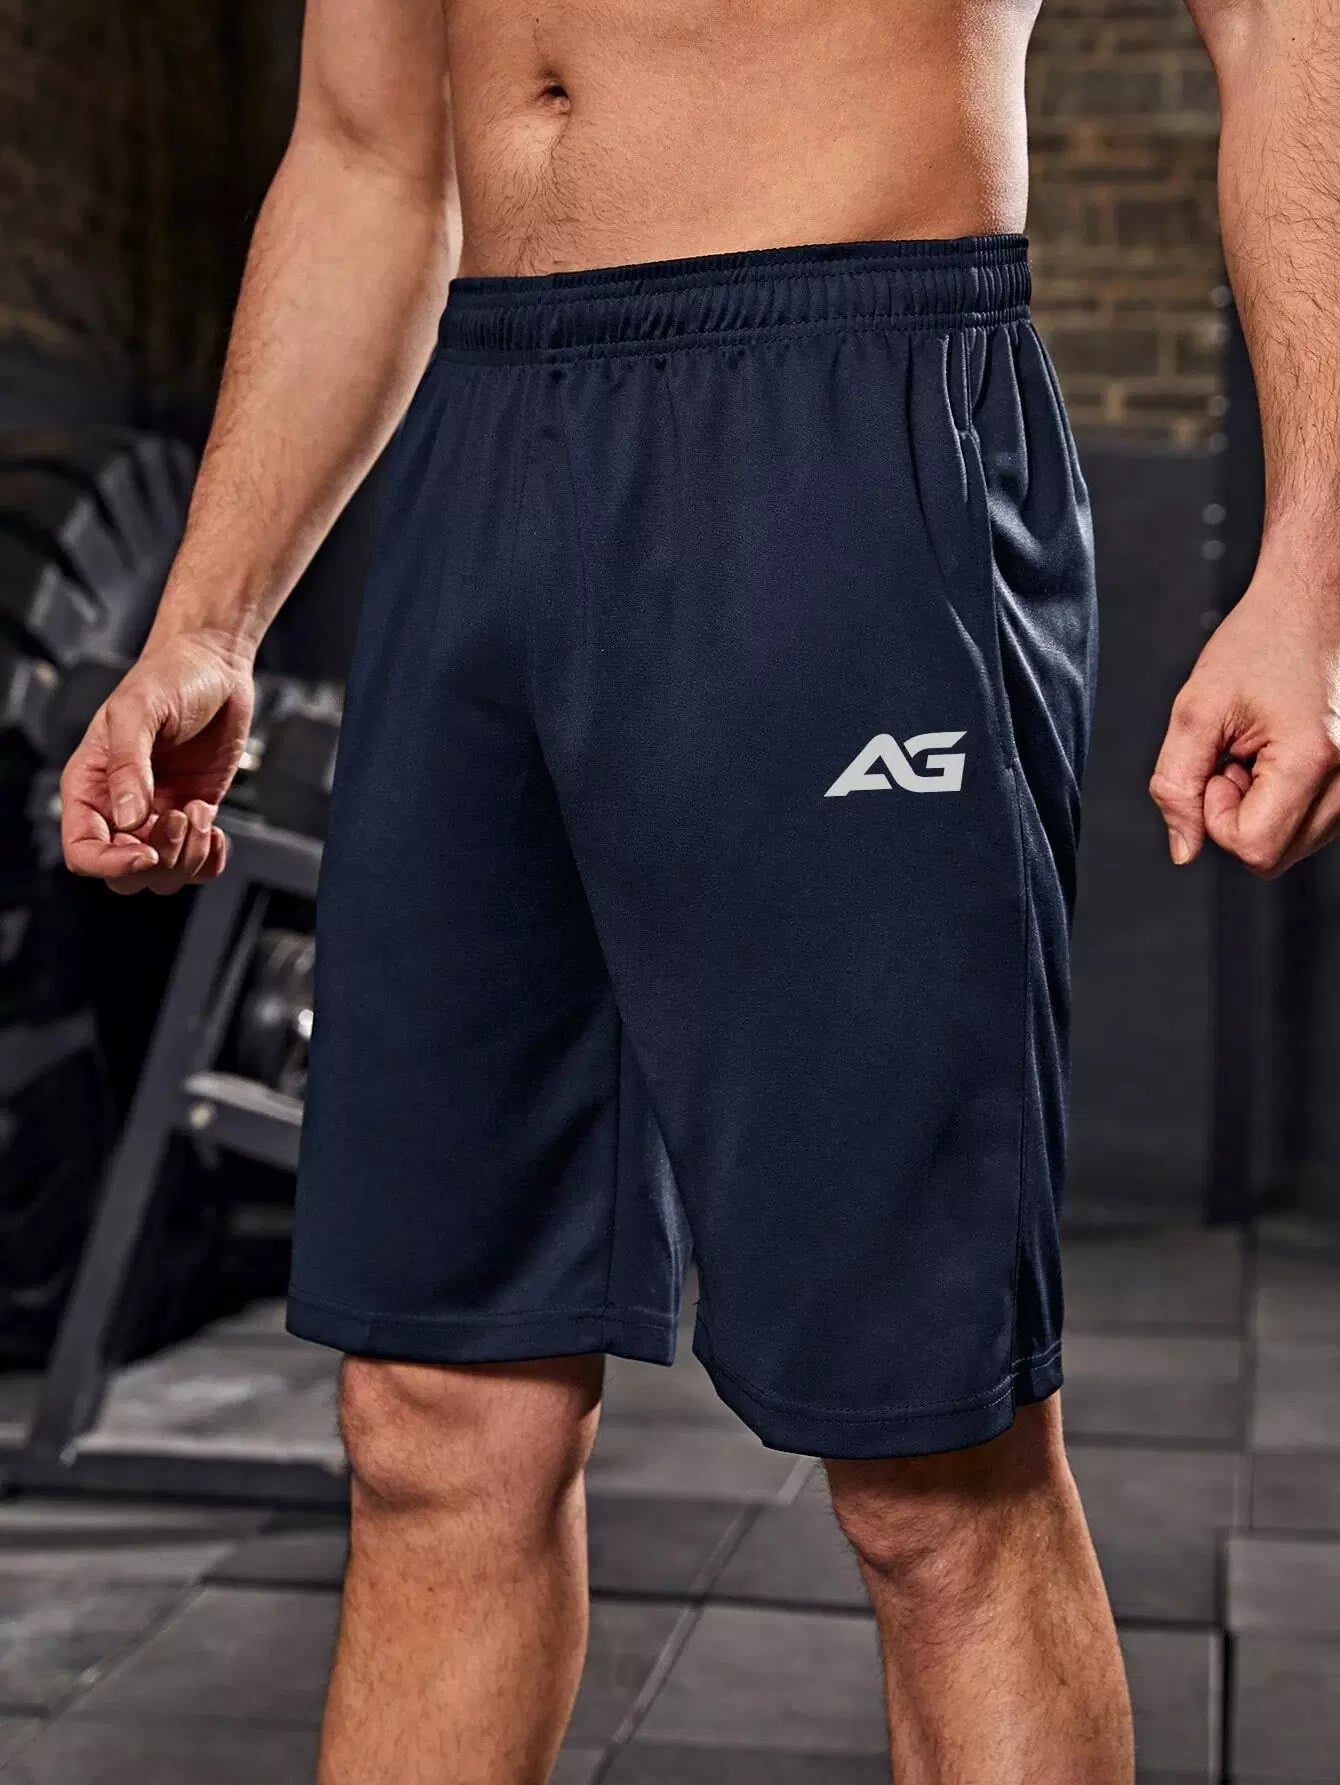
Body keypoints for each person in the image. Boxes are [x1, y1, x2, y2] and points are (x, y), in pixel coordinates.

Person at [59, 0, 1340, 1780]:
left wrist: (1315, 568)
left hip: (841, 404)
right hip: (480, 453)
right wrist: (208, 617)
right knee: (432, 1415)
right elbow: (366, 155)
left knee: (932, 1472)